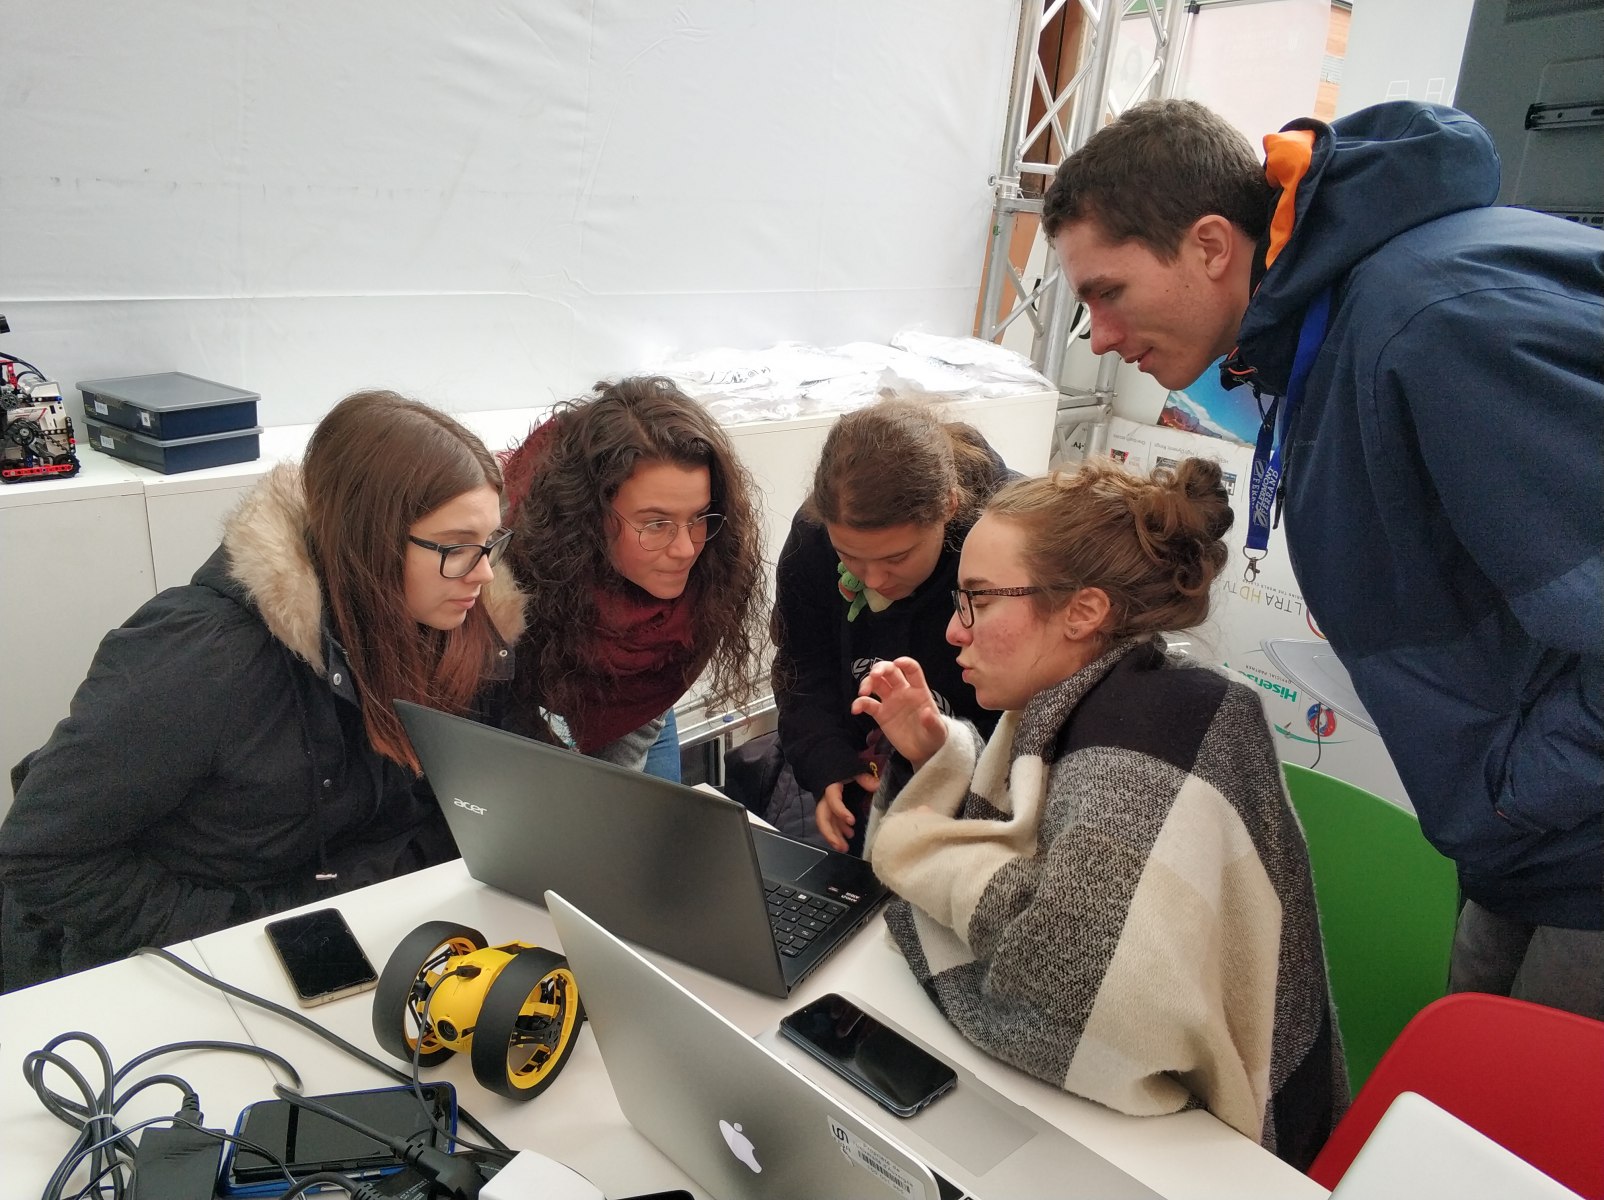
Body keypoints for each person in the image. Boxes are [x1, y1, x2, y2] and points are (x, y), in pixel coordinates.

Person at [1041, 98, 1603, 1019]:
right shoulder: (1345, 324)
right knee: (1465, 1112)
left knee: (1539, 1150)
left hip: (1572, 837)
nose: (1098, 335)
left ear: (1213, 245)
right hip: (1529, 844)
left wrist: (1521, 783)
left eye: (1108, 292)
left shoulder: (1431, 323)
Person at [857, 458, 1344, 1167]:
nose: (955, 633)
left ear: (1084, 611)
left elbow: (1070, 1002)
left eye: (979, 600)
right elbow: (1019, 878)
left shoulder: (1153, 728)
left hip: (1229, 1161)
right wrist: (939, 756)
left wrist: (925, 868)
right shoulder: (1076, 700)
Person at [0, 391, 523, 991]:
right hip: (190, 964)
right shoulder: (203, 657)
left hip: (362, 936)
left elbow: (449, 807)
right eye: (455, 547)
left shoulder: (447, 626)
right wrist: (260, 935)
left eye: (489, 543)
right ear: (366, 542)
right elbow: (42, 857)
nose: (483, 573)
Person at [769, 396, 1016, 854]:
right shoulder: (813, 536)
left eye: (896, 557)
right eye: (849, 557)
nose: (874, 580)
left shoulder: (1010, 542)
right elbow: (803, 663)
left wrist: (943, 759)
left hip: (981, 804)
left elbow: (1027, 714)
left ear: (950, 506)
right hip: (862, 774)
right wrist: (826, 762)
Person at [498, 376, 765, 774]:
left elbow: (627, 757)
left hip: (637, 706)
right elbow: (496, 712)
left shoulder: (713, 572)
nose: (686, 549)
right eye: (656, 524)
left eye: (697, 518)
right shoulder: (515, 570)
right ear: (590, 517)